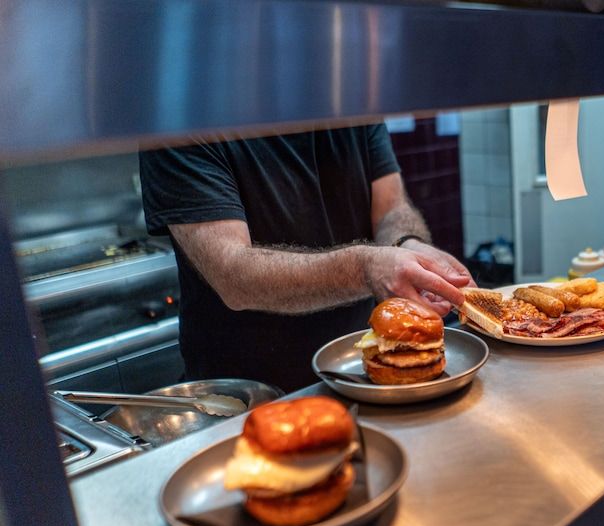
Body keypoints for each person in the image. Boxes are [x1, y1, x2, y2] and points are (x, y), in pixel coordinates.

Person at [139, 124, 473, 392]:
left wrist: (406, 244)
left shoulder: (350, 103)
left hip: (360, 379)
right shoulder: (181, 123)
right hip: (244, 398)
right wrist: (366, 267)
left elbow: (391, 208)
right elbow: (233, 273)